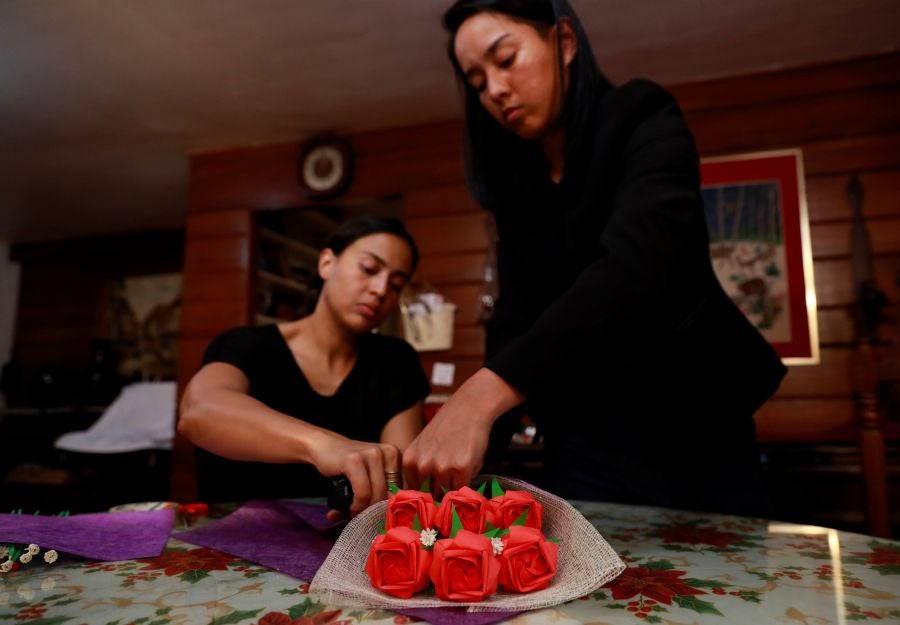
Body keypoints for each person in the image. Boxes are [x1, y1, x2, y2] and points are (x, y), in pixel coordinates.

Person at [402, 0, 787, 516]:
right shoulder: (516, 184)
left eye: (506, 59)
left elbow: (637, 265)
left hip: (697, 422)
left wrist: (479, 396)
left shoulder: (643, 115)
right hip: (583, 437)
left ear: (564, 42)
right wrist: (465, 472)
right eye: (476, 80)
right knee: (580, 588)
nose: (493, 89)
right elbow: (515, 318)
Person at [179, 215, 430, 516]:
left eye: (396, 284)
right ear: (326, 263)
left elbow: (396, 481)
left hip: (337, 543)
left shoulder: (396, 360)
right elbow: (198, 410)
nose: (380, 289)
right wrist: (322, 444)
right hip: (234, 539)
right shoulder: (247, 344)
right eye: (369, 269)